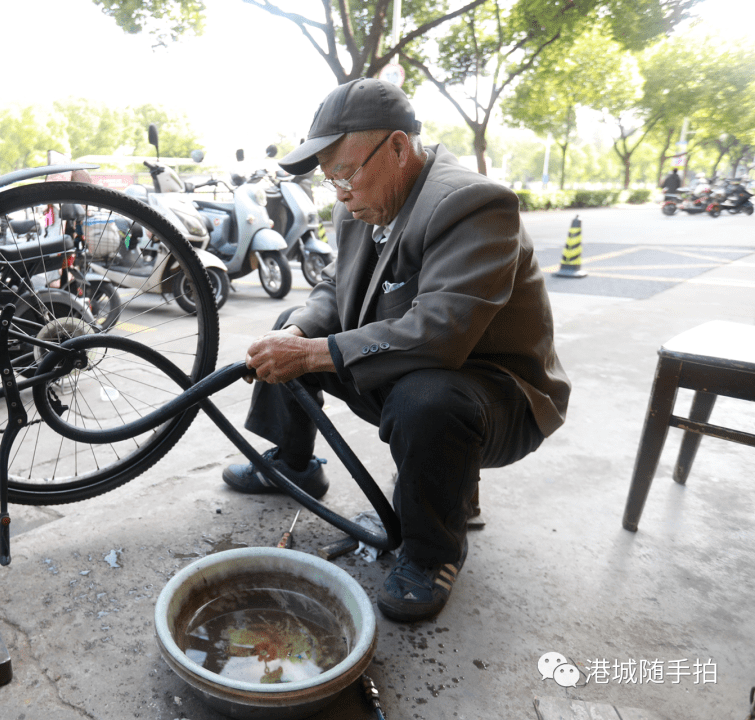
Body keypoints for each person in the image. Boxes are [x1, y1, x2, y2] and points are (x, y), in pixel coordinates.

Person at [221, 78, 571, 622]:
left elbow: (441, 332)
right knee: (291, 328)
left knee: (425, 399)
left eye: (345, 173)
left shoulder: (474, 203)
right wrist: (298, 336)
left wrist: (314, 355)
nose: (339, 192)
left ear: (400, 148)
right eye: (330, 179)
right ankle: (293, 464)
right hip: (406, 373)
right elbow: (332, 292)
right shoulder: (360, 205)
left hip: (495, 398)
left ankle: (434, 552)